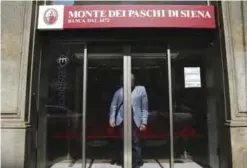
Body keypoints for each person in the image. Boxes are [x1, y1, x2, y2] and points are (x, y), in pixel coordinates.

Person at [109, 73, 148, 168]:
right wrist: (112, 119)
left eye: (131, 79)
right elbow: (113, 106)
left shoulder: (141, 89)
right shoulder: (119, 92)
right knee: (123, 141)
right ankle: (125, 162)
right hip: (122, 120)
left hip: (135, 120)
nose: (130, 81)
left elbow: (145, 108)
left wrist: (144, 122)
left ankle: (136, 162)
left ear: (134, 80)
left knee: (135, 141)